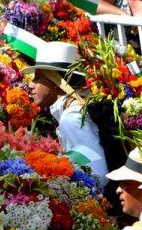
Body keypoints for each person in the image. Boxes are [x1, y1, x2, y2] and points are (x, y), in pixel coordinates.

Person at [22, 41, 107, 179]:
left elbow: (98, 174)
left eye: (37, 77)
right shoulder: (75, 109)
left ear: (56, 82)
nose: (30, 85)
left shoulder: (71, 117)